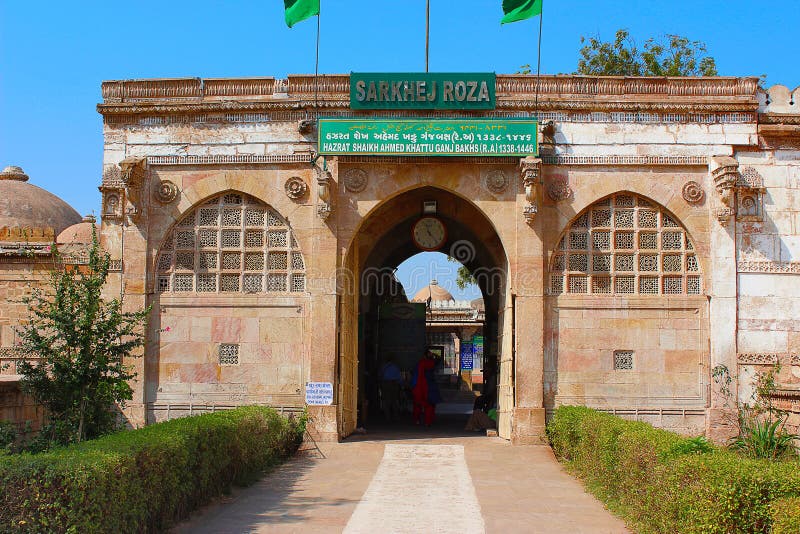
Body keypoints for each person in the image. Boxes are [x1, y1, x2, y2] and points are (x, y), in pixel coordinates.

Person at [411, 351, 441, 427]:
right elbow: (438, 359)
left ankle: (417, 420)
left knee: (418, 405)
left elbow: (415, 375)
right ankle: (428, 422)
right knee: (429, 405)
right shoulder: (431, 363)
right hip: (429, 386)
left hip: (419, 386)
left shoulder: (420, 363)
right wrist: (434, 355)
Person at [379, 355, 403, 422]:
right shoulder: (396, 367)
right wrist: (401, 384)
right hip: (394, 384)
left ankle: (387, 417)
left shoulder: (383, 367)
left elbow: (380, 375)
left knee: (386, 401)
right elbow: (399, 377)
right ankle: (396, 416)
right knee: (394, 401)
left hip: (385, 384)